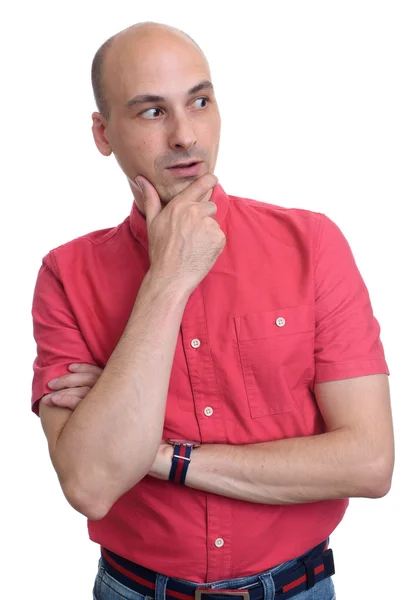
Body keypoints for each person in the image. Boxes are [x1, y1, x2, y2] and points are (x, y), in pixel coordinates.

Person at [31, 21, 394, 600]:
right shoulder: (66, 276)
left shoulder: (313, 244)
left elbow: (370, 463)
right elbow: (92, 484)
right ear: (103, 133)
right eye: (152, 112)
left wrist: (149, 455)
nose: (184, 136)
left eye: (199, 102)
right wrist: (168, 279)